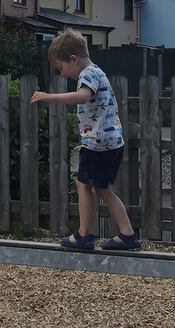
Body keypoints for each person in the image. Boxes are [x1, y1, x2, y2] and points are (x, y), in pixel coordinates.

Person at [30, 30, 140, 250]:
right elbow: (98, 112)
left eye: (61, 68)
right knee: (99, 187)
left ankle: (84, 235)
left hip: (101, 145)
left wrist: (48, 97)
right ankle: (125, 234)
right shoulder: (96, 72)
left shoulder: (88, 74)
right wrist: (88, 139)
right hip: (102, 143)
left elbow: (82, 97)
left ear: (73, 59)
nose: (62, 75)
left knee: (86, 185)